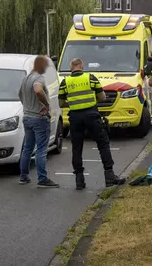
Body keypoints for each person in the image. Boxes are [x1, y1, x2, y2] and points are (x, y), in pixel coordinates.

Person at [59, 58, 126, 189]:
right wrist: (90, 100)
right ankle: (109, 176)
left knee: (77, 147)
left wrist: (73, 103)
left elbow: (61, 103)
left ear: (71, 67)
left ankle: (79, 180)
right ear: (82, 66)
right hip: (91, 115)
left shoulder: (65, 82)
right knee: (103, 143)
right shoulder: (91, 78)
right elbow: (102, 97)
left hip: (75, 117)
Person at [18, 56, 59, 188]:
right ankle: (42, 178)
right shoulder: (38, 78)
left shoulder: (25, 79)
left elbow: (19, 94)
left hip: (27, 117)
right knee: (41, 149)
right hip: (39, 118)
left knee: (27, 148)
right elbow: (37, 90)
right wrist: (46, 104)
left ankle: (23, 176)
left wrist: (27, 107)